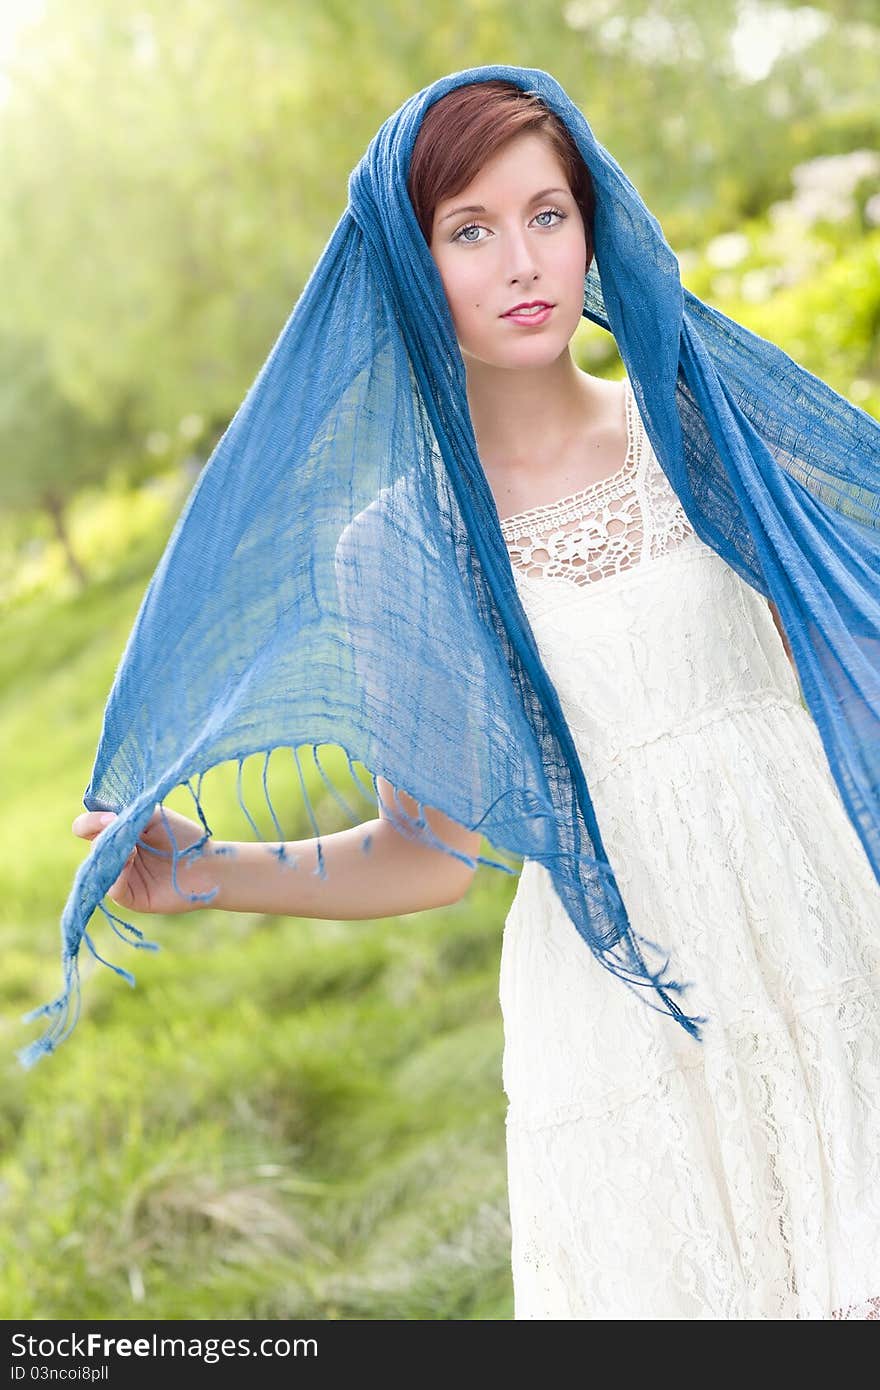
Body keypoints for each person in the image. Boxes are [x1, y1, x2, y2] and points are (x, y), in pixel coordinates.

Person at [70, 77, 880, 1319]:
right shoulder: (401, 547)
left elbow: (844, 666)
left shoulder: (698, 429)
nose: (522, 262)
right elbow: (430, 854)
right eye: (470, 228)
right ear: (411, 258)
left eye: (547, 213)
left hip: (817, 922)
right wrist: (202, 871)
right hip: (628, 1002)